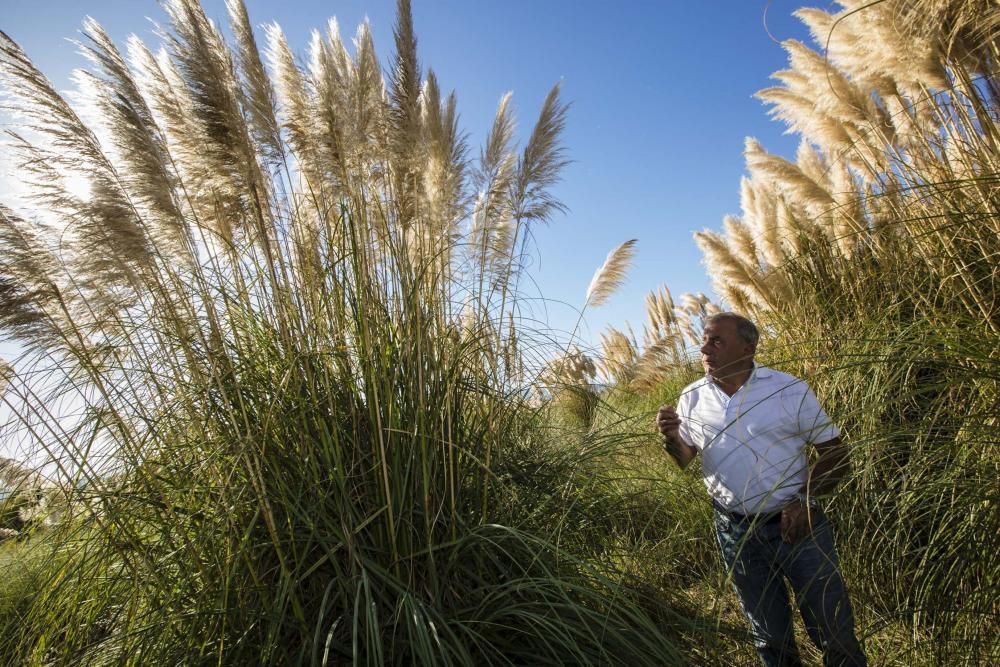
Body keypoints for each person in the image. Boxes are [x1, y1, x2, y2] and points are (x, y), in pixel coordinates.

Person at [656, 312, 866, 667]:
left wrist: (805, 500)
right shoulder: (691, 397)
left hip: (798, 528)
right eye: (704, 340)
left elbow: (837, 455)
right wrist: (671, 437)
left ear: (748, 347)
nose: (704, 348)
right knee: (769, 637)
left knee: (835, 631)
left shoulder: (787, 388)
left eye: (716, 341)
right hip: (735, 532)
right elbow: (685, 459)